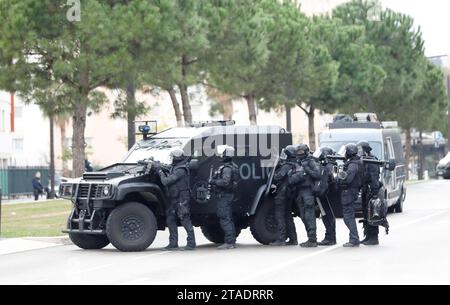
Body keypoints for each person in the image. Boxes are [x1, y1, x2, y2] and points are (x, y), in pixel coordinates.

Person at [157, 149, 196, 251]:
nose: (171, 159)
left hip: (182, 198)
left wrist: (160, 173)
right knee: (170, 219)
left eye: (173, 157)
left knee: (185, 219)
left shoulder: (181, 170)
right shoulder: (176, 167)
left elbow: (166, 182)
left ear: (177, 158)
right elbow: (168, 169)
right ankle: (173, 243)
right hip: (174, 198)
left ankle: (191, 243)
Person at [289, 144, 321, 248]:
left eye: (301, 152)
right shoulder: (298, 162)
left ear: (306, 152)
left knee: (309, 216)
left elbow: (317, 174)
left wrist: (307, 170)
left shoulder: (310, 161)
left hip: (308, 191)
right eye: (297, 153)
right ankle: (310, 238)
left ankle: (312, 239)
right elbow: (291, 178)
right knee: (303, 216)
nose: (299, 155)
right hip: (299, 192)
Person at [209, 146, 239, 250]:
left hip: (224, 195)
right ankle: (232, 241)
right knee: (228, 219)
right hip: (228, 195)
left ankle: (229, 242)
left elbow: (225, 182)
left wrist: (214, 181)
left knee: (225, 219)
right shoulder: (232, 166)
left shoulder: (227, 168)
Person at [269, 145, 298, 247]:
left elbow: (277, 177)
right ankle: (293, 239)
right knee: (288, 217)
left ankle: (281, 239)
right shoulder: (295, 165)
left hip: (282, 194)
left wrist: (276, 167)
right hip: (289, 194)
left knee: (280, 217)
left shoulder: (286, 166)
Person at [337, 143, 364, 247]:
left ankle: (354, 239)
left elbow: (347, 179)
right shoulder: (355, 162)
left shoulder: (353, 165)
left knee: (348, 216)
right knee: (349, 215)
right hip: (352, 191)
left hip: (349, 191)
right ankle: (353, 238)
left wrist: (338, 178)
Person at [357, 141, 382, 246]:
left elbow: (375, 178)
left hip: (371, 191)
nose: (358, 151)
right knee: (366, 214)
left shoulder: (372, 160)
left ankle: (373, 238)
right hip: (365, 189)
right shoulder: (364, 160)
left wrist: (374, 194)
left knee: (372, 214)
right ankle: (367, 236)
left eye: (360, 149)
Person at [314, 147, 338, 246]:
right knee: (326, 216)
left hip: (327, 195)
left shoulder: (329, 166)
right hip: (326, 194)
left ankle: (330, 238)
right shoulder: (326, 166)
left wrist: (320, 192)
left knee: (328, 216)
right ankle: (330, 237)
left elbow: (328, 181)